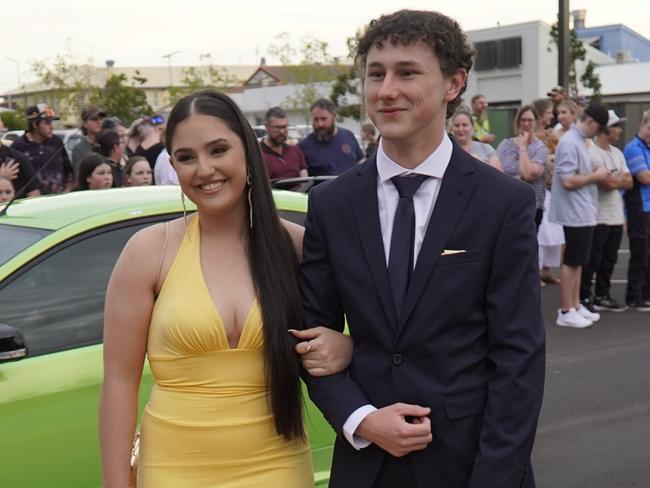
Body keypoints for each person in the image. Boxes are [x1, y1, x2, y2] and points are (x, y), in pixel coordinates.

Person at [297, 10, 545, 488]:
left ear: (454, 83)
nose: (386, 90)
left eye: (407, 72)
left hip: (471, 464)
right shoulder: (331, 203)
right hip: (366, 467)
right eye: (375, 74)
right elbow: (314, 338)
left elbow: (518, 358)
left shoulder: (503, 203)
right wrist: (360, 418)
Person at [99, 90, 352, 488]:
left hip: (277, 465)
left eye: (218, 150)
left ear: (247, 153)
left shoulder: (298, 247)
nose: (204, 169)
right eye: (186, 157)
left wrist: (346, 345)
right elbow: (119, 381)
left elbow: (372, 338)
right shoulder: (148, 253)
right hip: (172, 467)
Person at [549, 103, 611, 328]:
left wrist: (595, 172)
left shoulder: (578, 141)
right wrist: (596, 175)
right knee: (572, 261)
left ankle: (574, 306)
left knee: (578, 261)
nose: (598, 133)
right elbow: (567, 180)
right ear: (591, 122)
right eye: (598, 128)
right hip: (574, 212)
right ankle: (566, 309)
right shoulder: (569, 142)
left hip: (581, 211)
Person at [579, 110, 632, 312]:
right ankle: (584, 296)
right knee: (594, 259)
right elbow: (607, 183)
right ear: (605, 129)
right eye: (616, 126)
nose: (619, 130)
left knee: (610, 258)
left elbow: (629, 181)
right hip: (598, 216)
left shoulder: (617, 153)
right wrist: (617, 179)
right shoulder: (593, 153)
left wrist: (615, 178)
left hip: (616, 216)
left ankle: (602, 294)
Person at [496, 105, 548, 228]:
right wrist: (516, 179)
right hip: (508, 204)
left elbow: (528, 174)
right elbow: (495, 170)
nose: (526, 124)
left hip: (532, 206)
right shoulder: (506, 144)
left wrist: (522, 147)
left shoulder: (540, 148)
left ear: (536, 122)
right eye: (523, 120)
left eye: (530, 120)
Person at [12, 104, 74, 194]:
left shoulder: (56, 142)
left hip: (60, 199)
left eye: (51, 122)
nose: (51, 127)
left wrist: (68, 190)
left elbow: (69, 171)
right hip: (34, 203)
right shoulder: (18, 147)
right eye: (47, 123)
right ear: (34, 124)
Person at [623, 109, 650, 311]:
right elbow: (644, 177)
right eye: (649, 128)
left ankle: (646, 293)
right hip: (639, 208)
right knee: (640, 252)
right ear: (642, 125)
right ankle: (634, 295)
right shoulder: (633, 148)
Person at [298, 98, 364, 176]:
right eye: (316, 120)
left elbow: (361, 163)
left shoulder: (348, 136)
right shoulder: (304, 146)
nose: (320, 124)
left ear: (334, 117)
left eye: (324, 119)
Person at [260, 106, 308, 180]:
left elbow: (305, 181)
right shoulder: (257, 154)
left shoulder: (295, 151)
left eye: (284, 127)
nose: (282, 132)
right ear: (267, 127)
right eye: (277, 127)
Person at [71, 106, 106, 173]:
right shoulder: (79, 149)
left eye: (101, 119)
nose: (99, 122)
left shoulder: (108, 143)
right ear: (85, 124)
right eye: (94, 119)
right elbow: (79, 175)